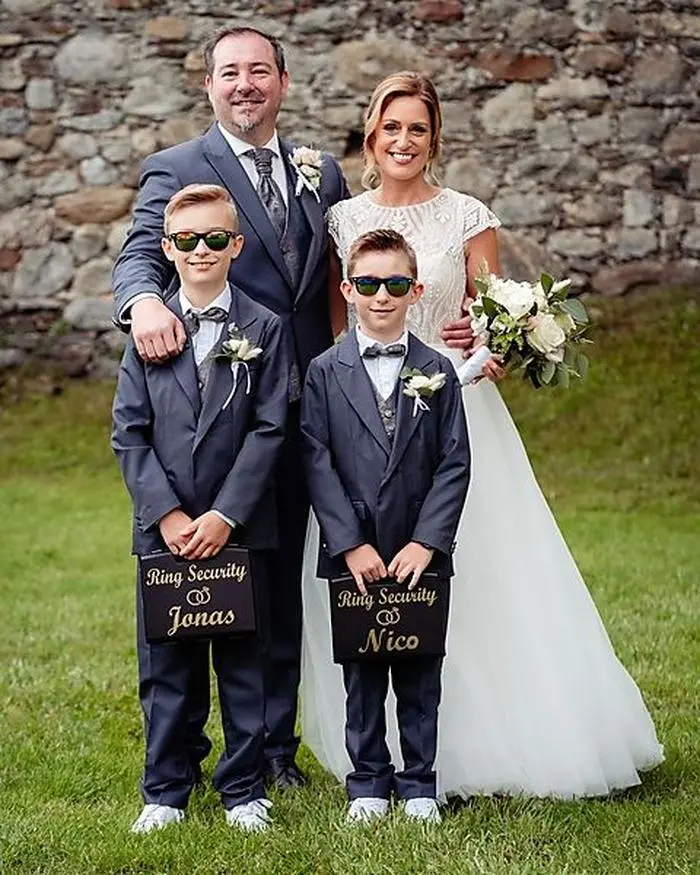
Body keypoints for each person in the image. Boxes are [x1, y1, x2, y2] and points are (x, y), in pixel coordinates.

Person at [301, 71, 664, 799]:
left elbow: (487, 315)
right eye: (392, 127)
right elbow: (338, 336)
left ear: (435, 139)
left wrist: (490, 346)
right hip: (363, 425)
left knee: (481, 584)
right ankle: (378, 757)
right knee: (373, 581)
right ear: (371, 135)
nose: (404, 140)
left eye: (419, 129)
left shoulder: (468, 214)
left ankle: (492, 746)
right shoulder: (342, 222)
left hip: (455, 410)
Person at [111, 25, 354, 789]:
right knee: (204, 584)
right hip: (219, 408)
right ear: (209, 85)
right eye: (228, 72)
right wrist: (145, 301)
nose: (244, 84)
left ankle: (273, 753)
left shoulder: (325, 172)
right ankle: (179, 754)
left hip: (306, 410)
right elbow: (140, 253)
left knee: (280, 585)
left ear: (282, 81)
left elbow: (352, 275)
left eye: (258, 71)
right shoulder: (176, 167)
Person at [112, 184, 289, 832]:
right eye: (187, 240)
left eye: (215, 238)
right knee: (167, 670)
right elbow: (127, 432)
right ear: (168, 248)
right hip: (165, 532)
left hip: (238, 529)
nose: (201, 250)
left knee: (244, 665)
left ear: (235, 244)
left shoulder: (265, 328)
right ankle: (165, 789)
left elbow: (271, 429)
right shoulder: (148, 330)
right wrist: (166, 514)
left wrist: (225, 515)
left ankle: (244, 788)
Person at [301, 229, 470, 823]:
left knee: (421, 670)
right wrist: (349, 545)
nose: (381, 296)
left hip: (419, 551)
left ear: (415, 290)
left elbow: (455, 462)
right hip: (357, 555)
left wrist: (428, 541)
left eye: (395, 284)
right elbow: (315, 458)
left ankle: (420, 781)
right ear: (348, 288)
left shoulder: (438, 371)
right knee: (363, 670)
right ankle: (368, 781)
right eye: (367, 284)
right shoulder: (324, 371)